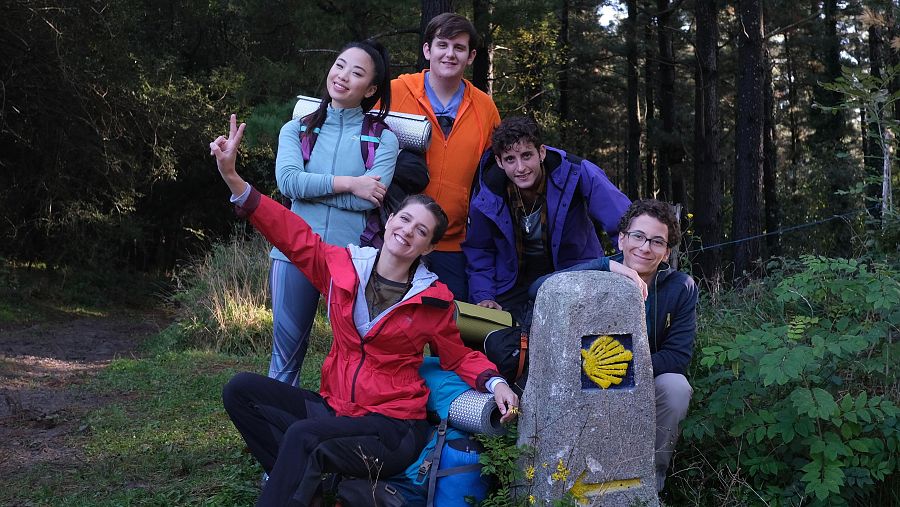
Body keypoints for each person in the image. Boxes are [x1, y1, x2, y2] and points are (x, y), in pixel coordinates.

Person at [210, 115, 519, 507]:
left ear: (426, 248)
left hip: (391, 429)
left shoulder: (434, 300)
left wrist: (496, 383)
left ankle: (294, 490)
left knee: (305, 437)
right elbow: (292, 233)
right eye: (405, 219)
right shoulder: (341, 267)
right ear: (390, 221)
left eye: (421, 231)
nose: (407, 231)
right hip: (337, 408)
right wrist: (235, 180)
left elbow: (458, 357)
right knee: (241, 391)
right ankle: (311, 490)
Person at [529, 199, 698, 493]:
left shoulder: (680, 287)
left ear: (667, 251)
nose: (645, 248)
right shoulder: (599, 271)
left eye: (657, 242)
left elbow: (678, 356)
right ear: (622, 238)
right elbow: (538, 287)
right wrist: (607, 266)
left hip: (640, 377)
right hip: (578, 381)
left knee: (676, 388)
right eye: (638, 236)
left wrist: (625, 370)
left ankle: (651, 479)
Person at [269, 40, 399, 387]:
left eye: (356, 73)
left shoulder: (383, 140)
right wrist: (349, 183)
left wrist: (317, 194)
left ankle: (337, 432)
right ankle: (272, 434)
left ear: (370, 88)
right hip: (293, 251)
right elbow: (288, 183)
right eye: (340, 65)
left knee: (353, 354)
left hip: (351, 259)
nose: (342, 76)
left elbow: (368, 201)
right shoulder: (296, 130)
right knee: (286, 355)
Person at [463, 116, 631, 323]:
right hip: (513, 281)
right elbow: (480, 249)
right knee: (491, 332)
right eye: (510, 159)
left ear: (541, 152)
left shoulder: (576, 172)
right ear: (499, 161)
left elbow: (624, 222)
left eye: (526, 156)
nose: (520, 168)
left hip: (573, 272)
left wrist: (634, 266)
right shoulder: (488, 193)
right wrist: (484, 296)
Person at [390, 12, 501, 301]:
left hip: (452, 243)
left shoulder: (485, 108)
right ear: (427, 50)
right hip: (398, 235)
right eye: (442, 45)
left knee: (448, 326)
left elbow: (494, 173)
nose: (449, 54)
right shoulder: (395, 92)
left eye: (459, 47)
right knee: (389, 322)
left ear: (471, 56)